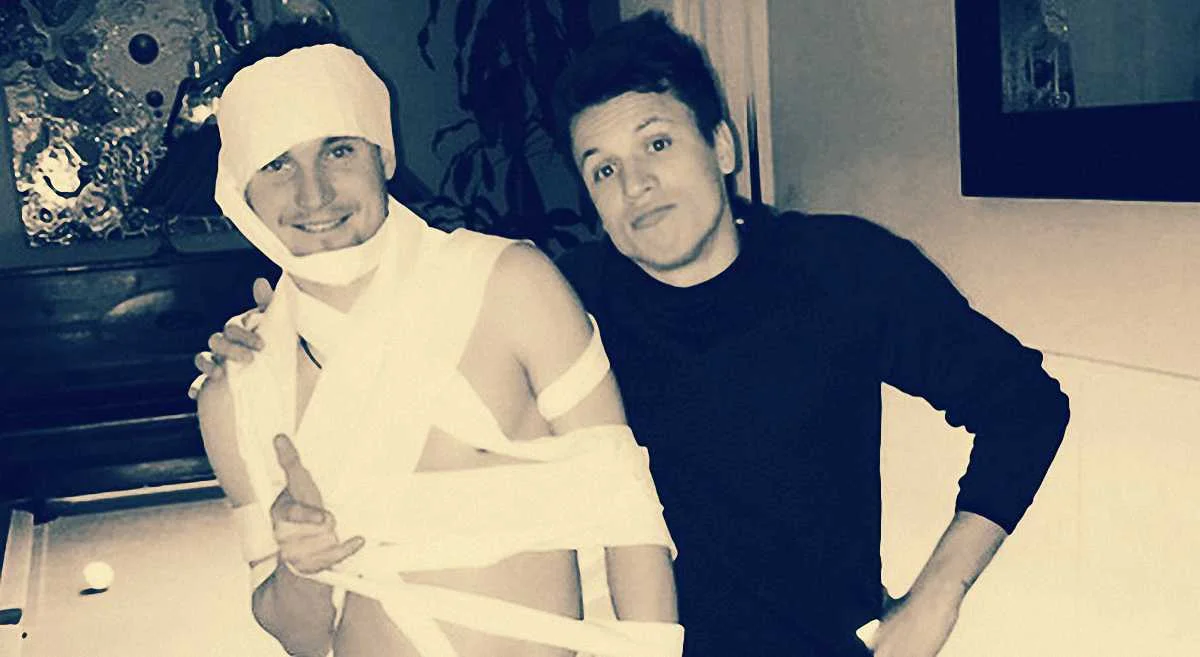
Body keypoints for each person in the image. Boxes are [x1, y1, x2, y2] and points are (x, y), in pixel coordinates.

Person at [196, 12, 1070, 657]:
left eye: (657, 145)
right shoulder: (568, 297)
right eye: (604, 168)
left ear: (721, 145)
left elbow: (1026, 406)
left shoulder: (841, 270)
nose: (637, 185)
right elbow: (402, 311)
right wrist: (273, 341)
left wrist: (937, 594)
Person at [193, 24, 685, 657]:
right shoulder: (238, 392)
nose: (313, 193)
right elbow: (302, 639)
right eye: (277, 163)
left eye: (338, 150)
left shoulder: (511, 285)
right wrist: (302, 565)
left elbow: (628, 515)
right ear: (241, 191)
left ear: (382, 155)